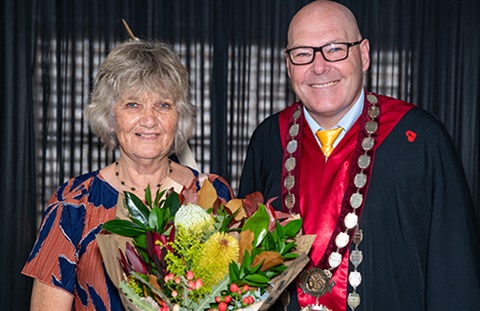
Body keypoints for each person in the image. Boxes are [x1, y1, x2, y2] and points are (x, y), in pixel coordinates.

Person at [238, 1, 480, 310]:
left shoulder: (419, 139)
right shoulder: (269, 139)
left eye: (335, 48)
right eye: (302, 54)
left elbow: (454, 273)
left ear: (363, 54)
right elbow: (247, 270)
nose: (319, 66)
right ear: (288, 65)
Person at [22, 39, 233, 311]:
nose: (148, 119)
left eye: (163, 105)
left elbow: (231, 295)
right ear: (111, 117)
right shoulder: (73, 204)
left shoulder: (212, 193)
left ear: (179, 116)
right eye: (133, 105)